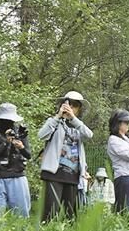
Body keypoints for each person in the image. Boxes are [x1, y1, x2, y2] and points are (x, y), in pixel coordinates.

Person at [38, 91, 93, 221]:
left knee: (70, 214)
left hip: (73, 175)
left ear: (79, 109)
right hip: (54, 173)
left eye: (75, 105)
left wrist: (73, 118)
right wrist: (58, 116)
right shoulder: (54, 122)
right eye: (69, 104)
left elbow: (89, 135)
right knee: (50, 211)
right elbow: (41, 135)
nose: (71, 107)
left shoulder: (78, 126)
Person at [0, 103, 31, 217]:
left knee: (21, 215)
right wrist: (6, 143)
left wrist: (21, 147)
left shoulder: (20, 131)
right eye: (5, 119)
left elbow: (28, 155)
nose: (9, 123)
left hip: (17, 175)